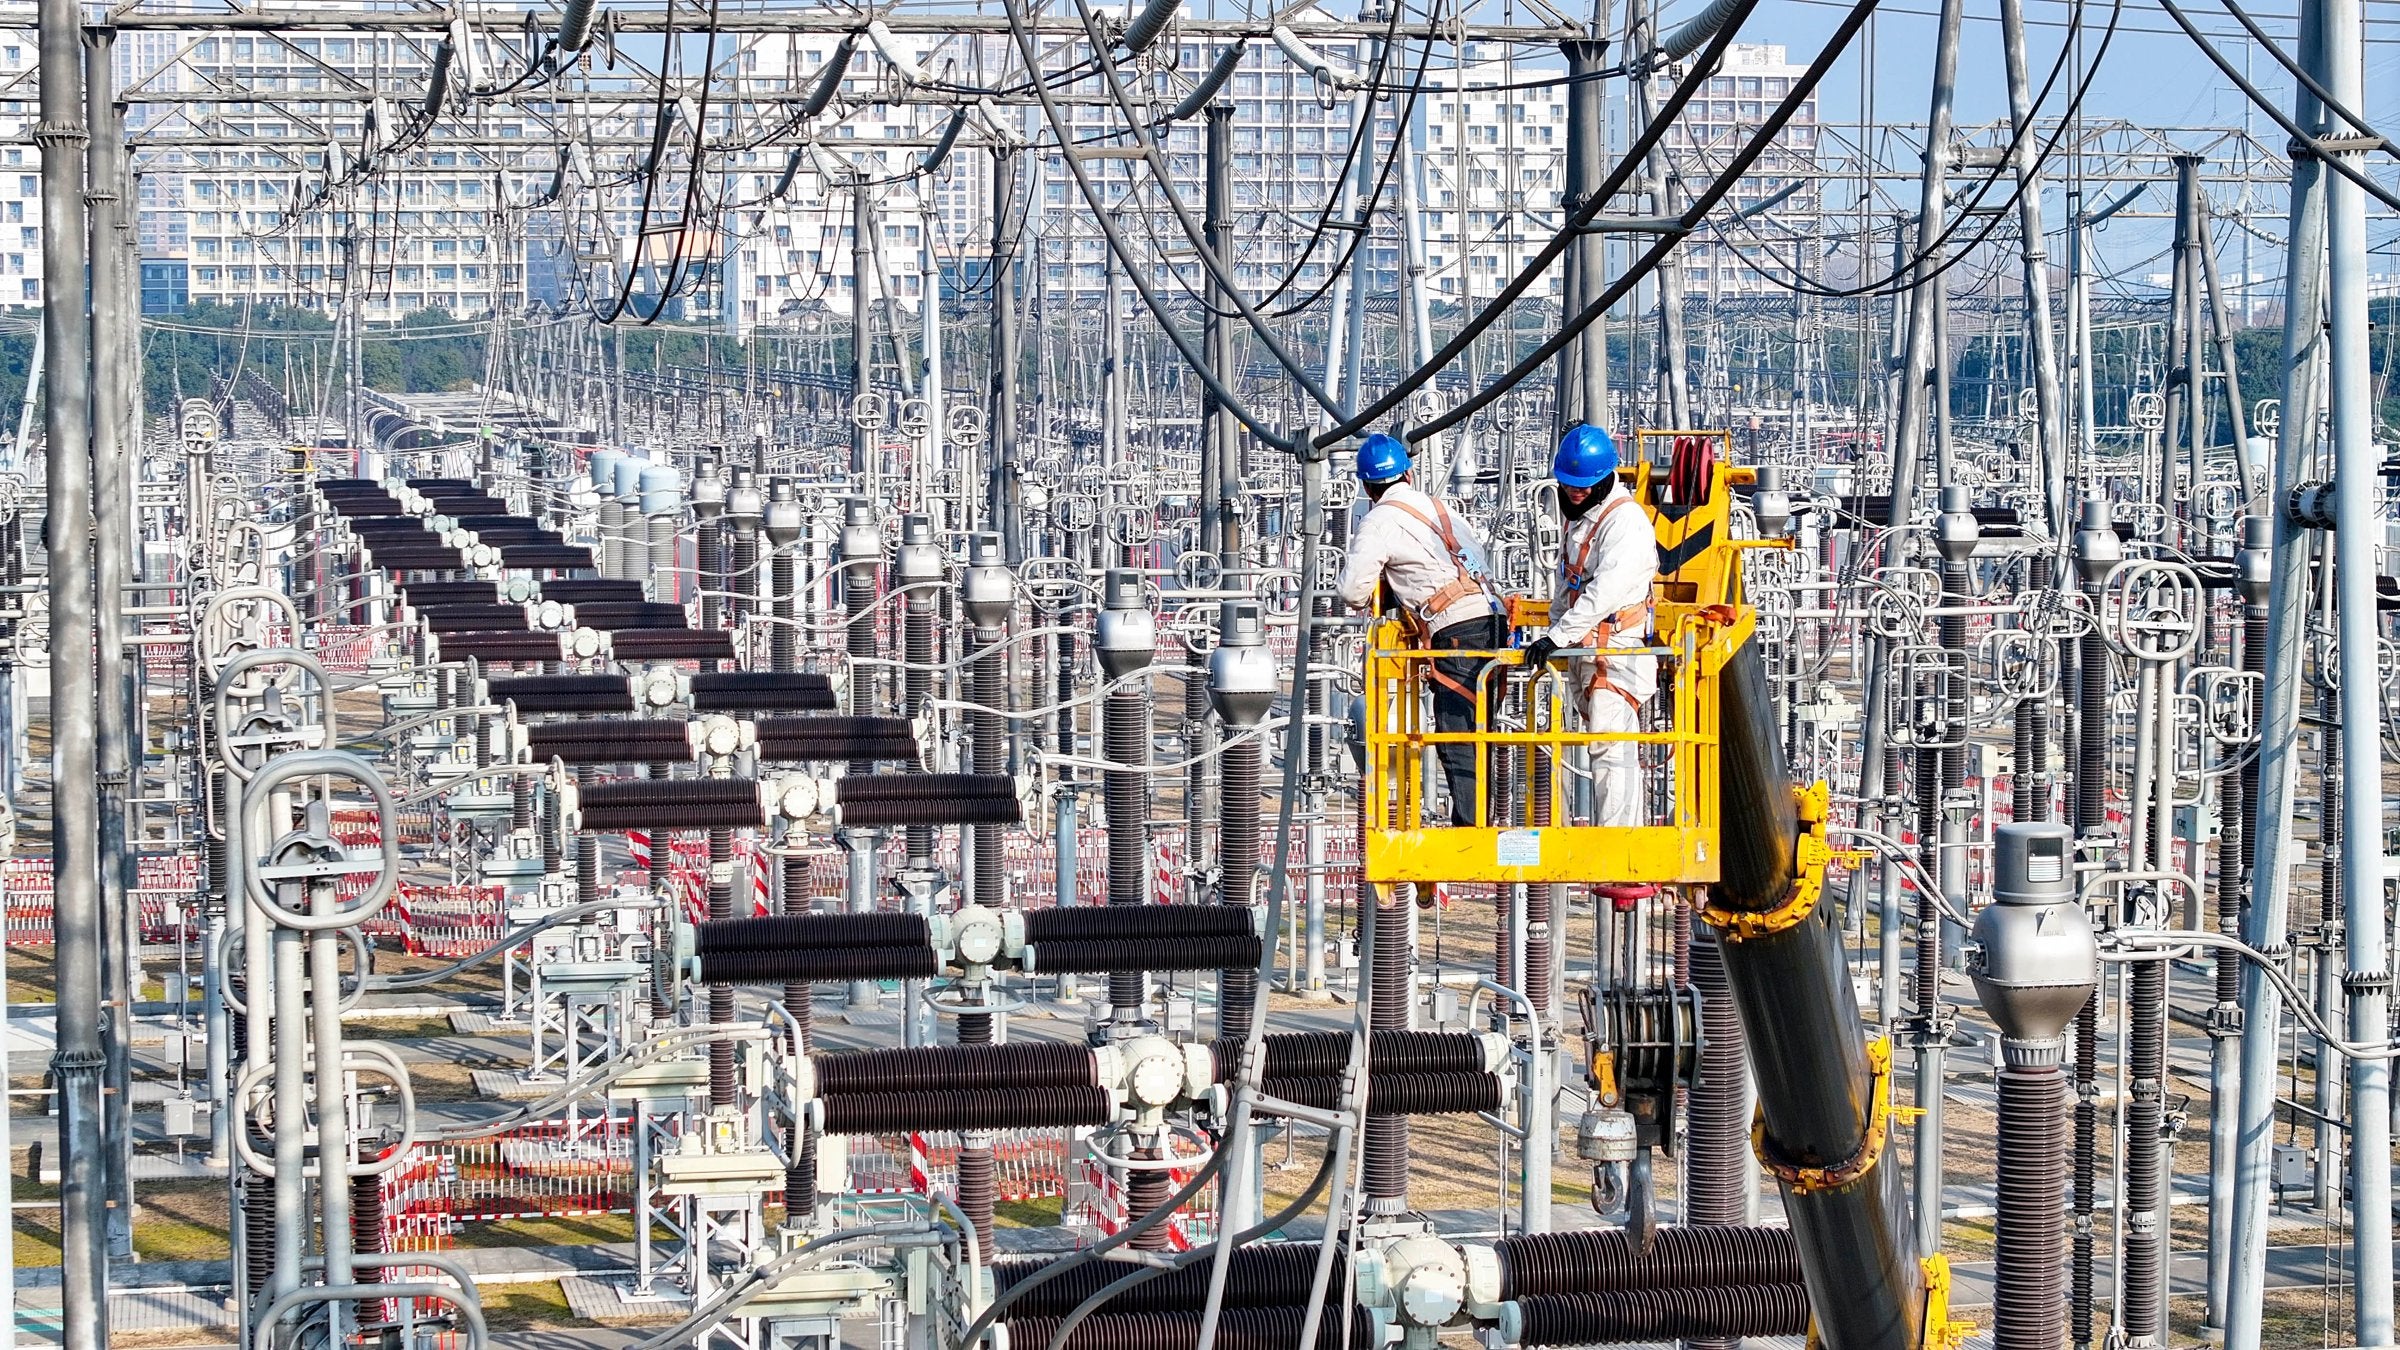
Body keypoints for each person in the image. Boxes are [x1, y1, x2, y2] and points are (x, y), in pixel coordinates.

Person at [1337, 432, 1501, 827]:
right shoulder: (1441, 508)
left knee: (1456, 733)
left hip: (1456, 628)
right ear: (1408, 475)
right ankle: (1484, 819)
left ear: (1367, 488)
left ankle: (1472, 830)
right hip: (1493, 618)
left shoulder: (1379, 521)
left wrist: (1386, 588)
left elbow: (1351, 591)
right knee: (1481, 731)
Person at [1522, 425, 1658, 828]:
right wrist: (1554, 630)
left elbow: (1605, 592)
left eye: (1581, 487)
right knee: (1601, 739)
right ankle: (1612, 835)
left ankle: (1619, 840)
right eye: (1568, 485)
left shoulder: (1626, 522)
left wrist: (1556, 637)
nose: (1573, 493)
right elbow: (1569, 583)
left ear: (1603, 479)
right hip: (1589, 649)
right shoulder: (1581, 518)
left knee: (1610, 743)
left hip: (1618, 651)